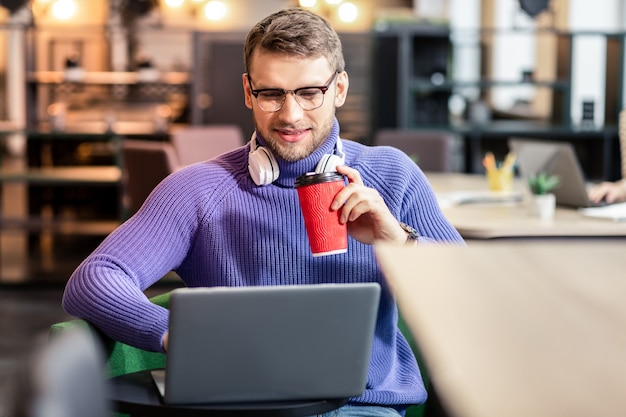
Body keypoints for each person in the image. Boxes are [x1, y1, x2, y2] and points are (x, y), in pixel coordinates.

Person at [62, 7, 464, 416]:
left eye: (310, 93)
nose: (290, 116)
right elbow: (94, 278)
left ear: (339, 89)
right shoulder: (198, 189)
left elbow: (471, 297)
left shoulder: (391, 176)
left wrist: (398, 241)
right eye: (271, 94)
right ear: (247, 91)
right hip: (239, 405)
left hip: (360, 407)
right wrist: (171, 334)